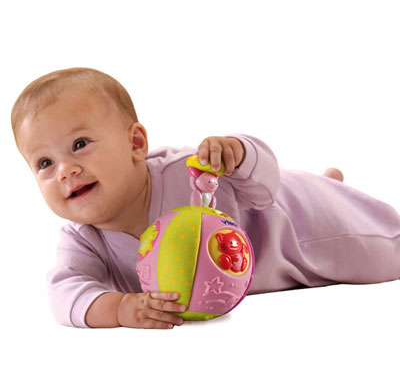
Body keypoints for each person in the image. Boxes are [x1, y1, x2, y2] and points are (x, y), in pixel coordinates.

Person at [11, 67, 400, 329]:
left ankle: (331, 190)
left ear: (135, 143)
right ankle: (330, 185)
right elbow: (65, 294)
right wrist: (121, 309)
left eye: (80, 144)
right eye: (45, 163)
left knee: (384, 255)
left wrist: (236, 153)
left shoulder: (188, 171)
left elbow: (264, 186)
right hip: (253, 268)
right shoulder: (83, 239)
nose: (65, 171)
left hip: (297, 227)